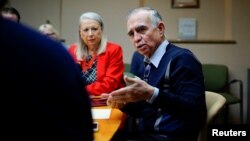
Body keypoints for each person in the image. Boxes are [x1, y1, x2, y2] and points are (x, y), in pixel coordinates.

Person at [103, 7, 207, 141]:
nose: (136, 38)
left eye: (141, 30)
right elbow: (145, 109)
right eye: (131, 34)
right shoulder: (142, 59)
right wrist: (124, 104)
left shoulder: (182, 59)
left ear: (161, 29)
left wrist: (151, 94)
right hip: (144, 133)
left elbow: (196, 113)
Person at [0, 0, 93, 140]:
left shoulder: (60, 55)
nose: (46, 38)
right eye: (43, 35)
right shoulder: (48, 54)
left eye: (50, 35)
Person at [68, 12, 125, 96]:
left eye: (94, 29)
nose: (90, 34)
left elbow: (109, 85)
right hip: (79, 100)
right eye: (86, 30)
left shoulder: (114, 50)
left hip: (106, 100)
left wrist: (79, 90)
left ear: (101, 30)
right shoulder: (73, 50)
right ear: (80, 33)